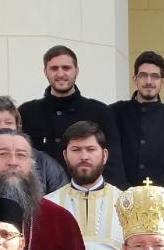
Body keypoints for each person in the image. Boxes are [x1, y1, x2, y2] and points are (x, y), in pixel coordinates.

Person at [18, 45, 126, 187]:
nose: (60, 73)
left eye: (66, 68)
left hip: (87, 197)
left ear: (76, 71)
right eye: (54, 68)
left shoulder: (100, 112)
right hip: (40, 197)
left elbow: (113, 163)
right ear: (45, 72)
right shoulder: (27, 112)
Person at [44, 121, 124, 250]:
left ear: (104, 155)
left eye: (91, 149)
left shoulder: (127, 204)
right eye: (76, 150)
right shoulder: (47, 205)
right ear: (65, 155)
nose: (84, 156)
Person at [110, 50, 164, 191]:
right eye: (143, 76)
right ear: (134, 79)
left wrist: (153, 191)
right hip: (120, 195)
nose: (149, 81)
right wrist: (125, 189)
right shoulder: (115, 113)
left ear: (162, 81)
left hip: (161, 199)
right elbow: (110, 159)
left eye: (155, 76)